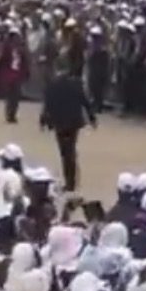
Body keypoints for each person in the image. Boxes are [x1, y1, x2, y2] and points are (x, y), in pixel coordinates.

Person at [39, 63, 95, 194]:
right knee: (70, 148)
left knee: (64, 151)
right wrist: (92, 117)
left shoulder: (51, 85)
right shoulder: (75, 83)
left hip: (59, 122)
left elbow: (47, 105)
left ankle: (69, 179)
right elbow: (85, 101)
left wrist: (43, 121)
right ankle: (71, 180)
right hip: (73, 122)